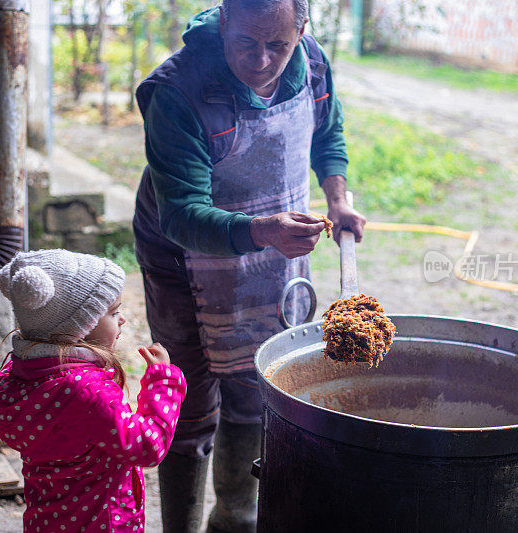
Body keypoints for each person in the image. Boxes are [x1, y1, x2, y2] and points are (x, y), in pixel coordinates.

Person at [132, 0, 367, 530]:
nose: (261, 60)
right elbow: (183, 214)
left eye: (277, 45)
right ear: (222, 24)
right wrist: (263, 232)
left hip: (273, 243)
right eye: (245, 42)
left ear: (301, 31)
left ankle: (234, 521)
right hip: (184, 255)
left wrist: (337, 197)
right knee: (189, 399)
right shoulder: (178, 91)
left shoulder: (310, 60)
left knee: (256, 383)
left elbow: (327, 131)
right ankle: (182, 524)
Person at [0, 249, 187, 532]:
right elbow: (148, 446)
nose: (122, 320)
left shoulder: (16, 376)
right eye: (113, 312)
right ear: (79, 327)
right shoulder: (87, 393)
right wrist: (163, 382)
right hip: (104, 523)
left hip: (44, 522)